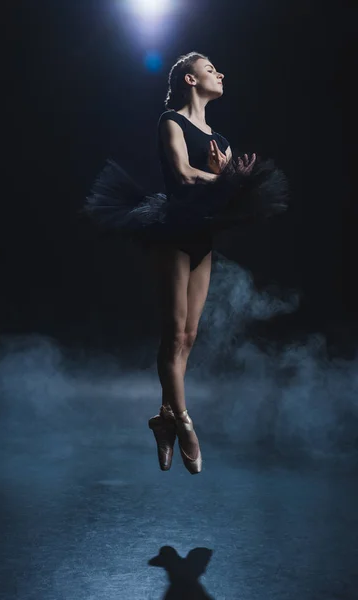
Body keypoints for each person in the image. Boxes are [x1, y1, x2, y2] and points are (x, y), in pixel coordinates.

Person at [83, 52, 288, 475]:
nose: (221, 73)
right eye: (212, 69)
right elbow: (182, 174)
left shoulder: (222, 141)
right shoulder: (170, 121)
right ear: (191, 80)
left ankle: (163, 418)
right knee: (173, 332)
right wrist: (225, 178)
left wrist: (231, 181)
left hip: (202, 237)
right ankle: (185, 423)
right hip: (172, 232)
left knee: (190, 335)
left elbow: (224, 194)